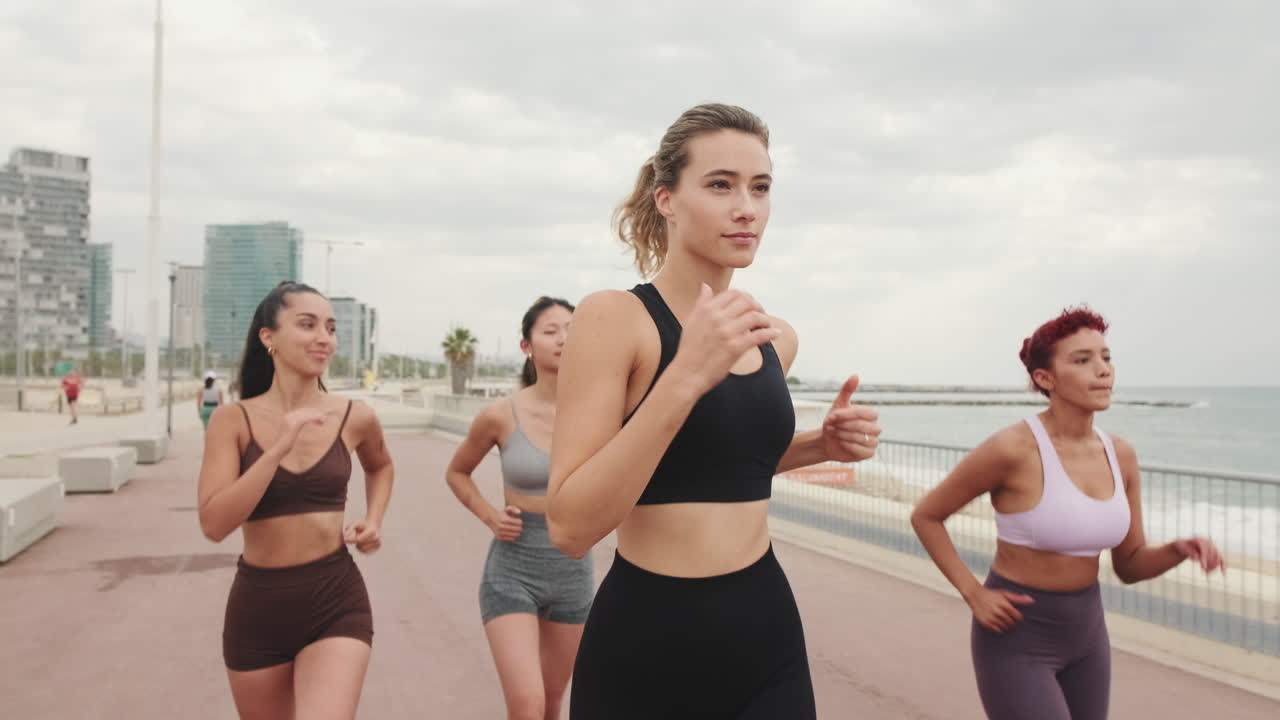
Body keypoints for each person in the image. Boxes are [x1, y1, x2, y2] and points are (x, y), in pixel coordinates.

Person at [547, 103, 882, 719]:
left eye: (760, 188)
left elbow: (712, 467)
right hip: (646, 643)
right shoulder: (615, 319)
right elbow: (570, 527)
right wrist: (685, 376)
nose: (746, 207)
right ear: (666, 198)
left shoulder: (772, 336)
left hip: (765, 631)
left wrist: (818, 446)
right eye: (720, 184)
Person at [910, 306, 1226, 720]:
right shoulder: (1012, 449)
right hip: (1017, 638)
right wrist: (974, 593)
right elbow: (926, 516)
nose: (1103, 371)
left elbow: (1129, 565)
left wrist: (1178, 549)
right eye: (1083, 360)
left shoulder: (1121, 455)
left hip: (1088, 637)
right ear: (1046, 379)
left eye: (1106, 358)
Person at [196, 281, 395, 720]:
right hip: (258, 608)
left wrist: (374, 518)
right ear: (269, 337)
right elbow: (214, 524)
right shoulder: (233, 420)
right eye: (307, 325)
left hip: (335, 599)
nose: (323, 337)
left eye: (330, 326)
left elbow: (380, 466)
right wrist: (278, 447)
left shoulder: (354, 415)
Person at [446, 296, 589, 720]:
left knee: (550, 703)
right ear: (526, 346)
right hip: (512, 570)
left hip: (573, 570)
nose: (564, 338)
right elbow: (457, 472)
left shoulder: (598, 413)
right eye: (551, 331)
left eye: (572, 329)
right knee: (526, 703)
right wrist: (490, 515)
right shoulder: (500, 414)